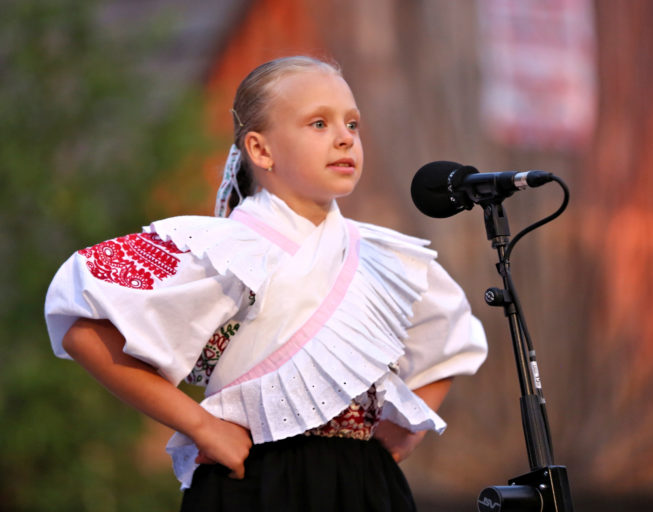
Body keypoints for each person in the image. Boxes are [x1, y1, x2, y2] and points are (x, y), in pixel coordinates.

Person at [44, 55, 487, 511]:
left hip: (364, 482)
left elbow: (452, 338)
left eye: (352, 124)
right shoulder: (221, 250)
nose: (344, 138)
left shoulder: (383, 255)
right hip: (255, 480)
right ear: (260, 149)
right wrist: (202, 426)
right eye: (318, 123)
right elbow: (84, 324)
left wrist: (401, 431)